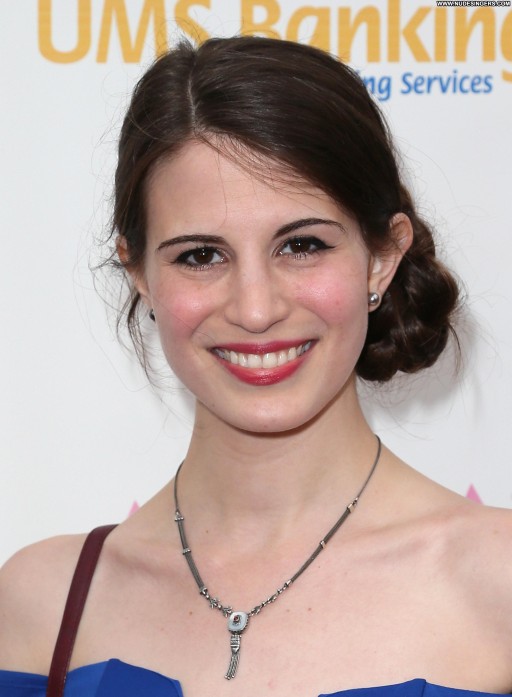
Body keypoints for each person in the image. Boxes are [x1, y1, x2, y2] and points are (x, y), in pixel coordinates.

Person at [0, 36, 511, 697]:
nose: (256, 309)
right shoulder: (40, 605)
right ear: (140, 274)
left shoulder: (497, 582)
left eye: (301, 245)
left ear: (381, 258)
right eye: (200, 255)